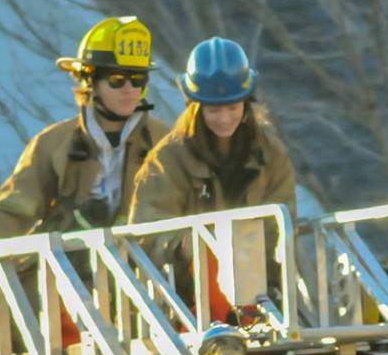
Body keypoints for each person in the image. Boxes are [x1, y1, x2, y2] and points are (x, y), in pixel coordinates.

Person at [0, 17, 170, 244]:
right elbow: (15, 209)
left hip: (145, 274)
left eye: (138, 79)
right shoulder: (53, 144)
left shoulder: (166, 144)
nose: (129, 89)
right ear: (89, 81)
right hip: (67, 274)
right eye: (117, 79)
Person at [127, 36, 297, 226]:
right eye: (213, 110)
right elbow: (149, 232)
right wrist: (197, 244)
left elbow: (285, 220)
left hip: (256, 255)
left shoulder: (270, 154)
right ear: (195, 109)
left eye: (233, 108)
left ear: (246, 104)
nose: (224, 119)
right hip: (192, 256)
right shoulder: (167, 160)